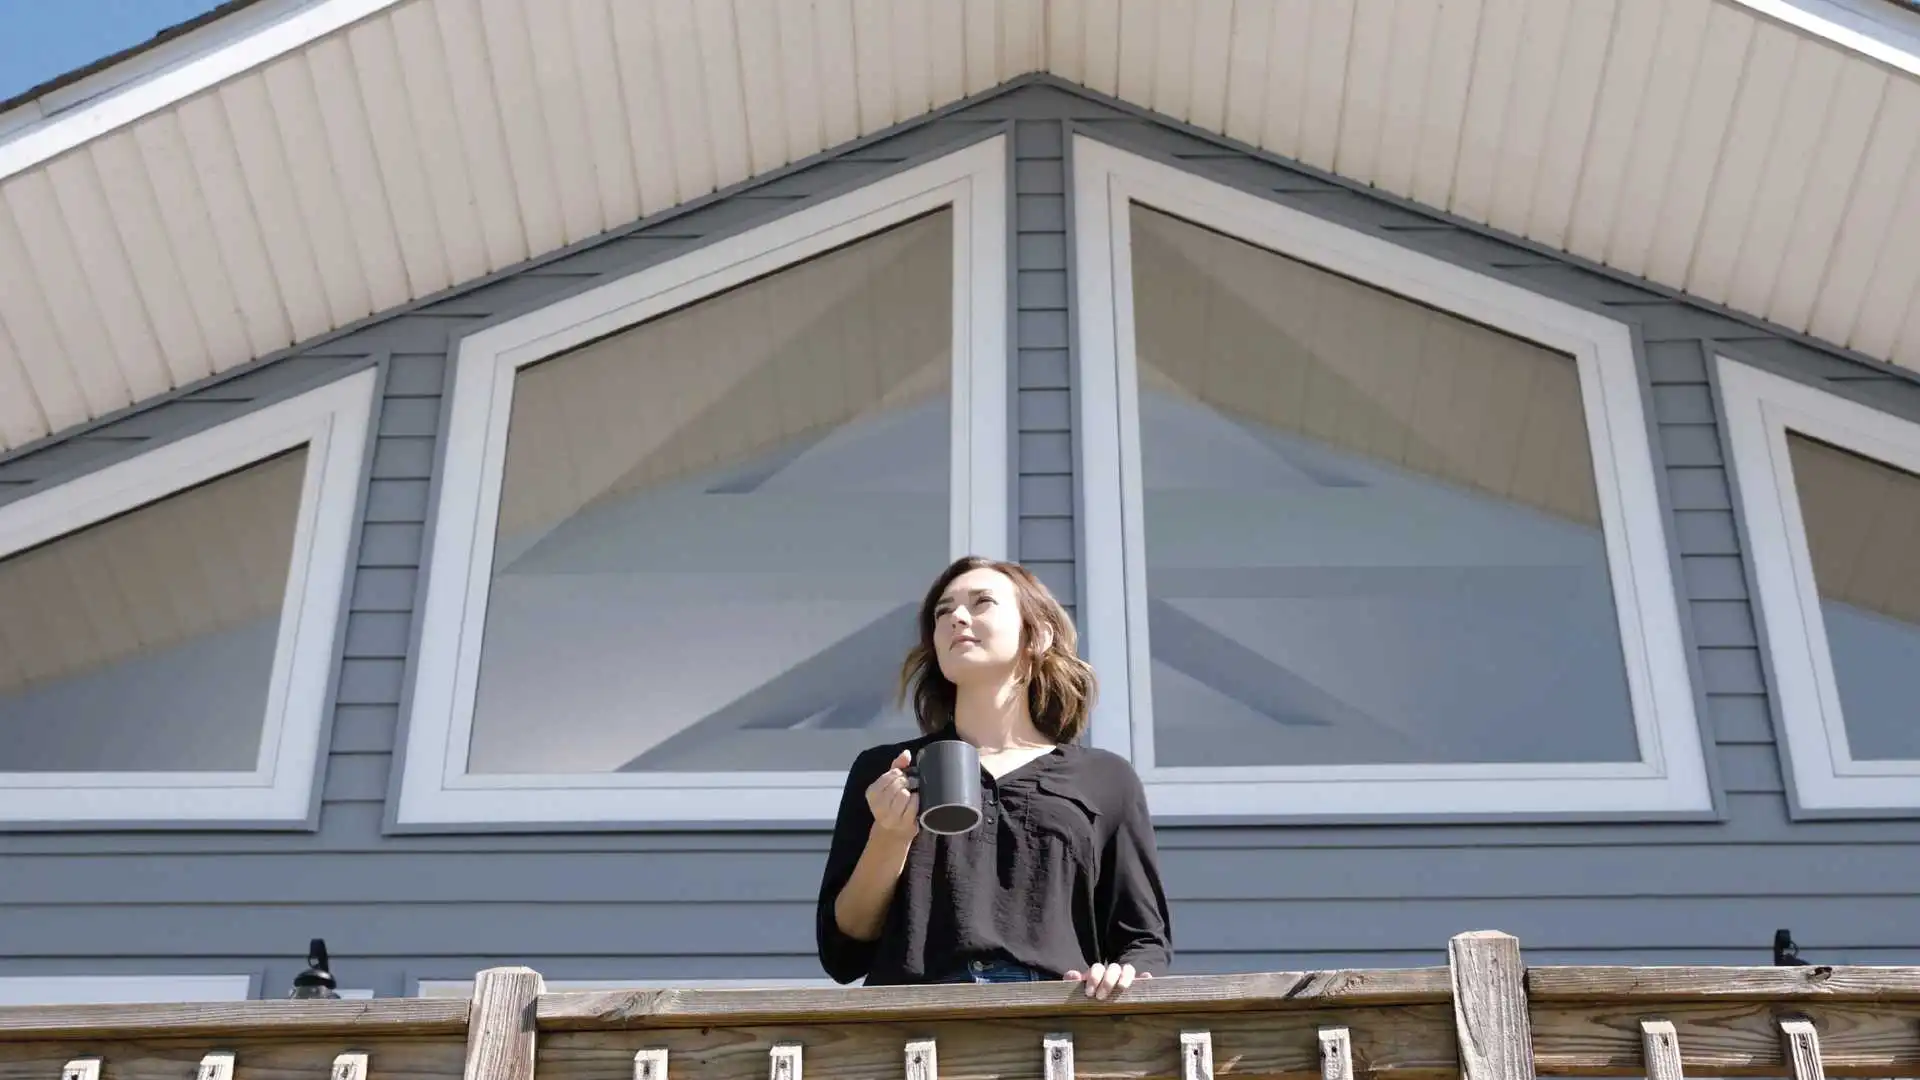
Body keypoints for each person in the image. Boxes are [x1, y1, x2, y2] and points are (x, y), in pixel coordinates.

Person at [815, 555, 1174, 996]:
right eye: (942, 612)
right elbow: (843, 949)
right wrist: (891, 835)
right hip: (910, 1028)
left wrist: (1122, 975)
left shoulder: (1105, 779)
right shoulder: (888, 769)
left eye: (981, 602)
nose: (956, 618)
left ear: (1036, 634)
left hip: (1051, 1027)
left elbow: (1141, 942)